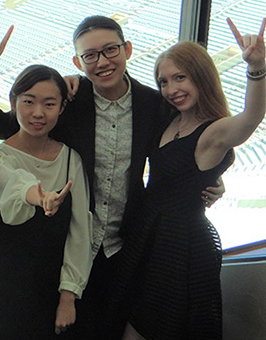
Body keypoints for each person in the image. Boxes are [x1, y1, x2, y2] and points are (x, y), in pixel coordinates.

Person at [0, 16, 225, 339]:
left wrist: (214, 175)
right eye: (90, 55)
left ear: (127, 50)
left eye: (110, 50)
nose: (102, 62)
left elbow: (190, 140)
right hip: (70, 253)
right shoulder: (70, 101)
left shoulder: (152, 105)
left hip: (126, 247)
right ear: (78, 61)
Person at [108, 17, 266, 340]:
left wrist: (257, 68)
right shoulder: (172, 119)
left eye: (180, 78)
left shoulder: (213, 131)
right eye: (164, 81)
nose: (171, 89)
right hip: (150, 237)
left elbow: (251, 118)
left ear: (201, 77)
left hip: (181, 248)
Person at [0, 64, 93, 340]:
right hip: (0, 291)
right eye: (28, 101)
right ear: (13, 102)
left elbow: (80, 232)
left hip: (51, 291)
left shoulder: (72, 159)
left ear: (61, 108)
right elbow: (12, 183)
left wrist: (68, 297)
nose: (38, 113)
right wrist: (39, 196)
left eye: (49, 104)